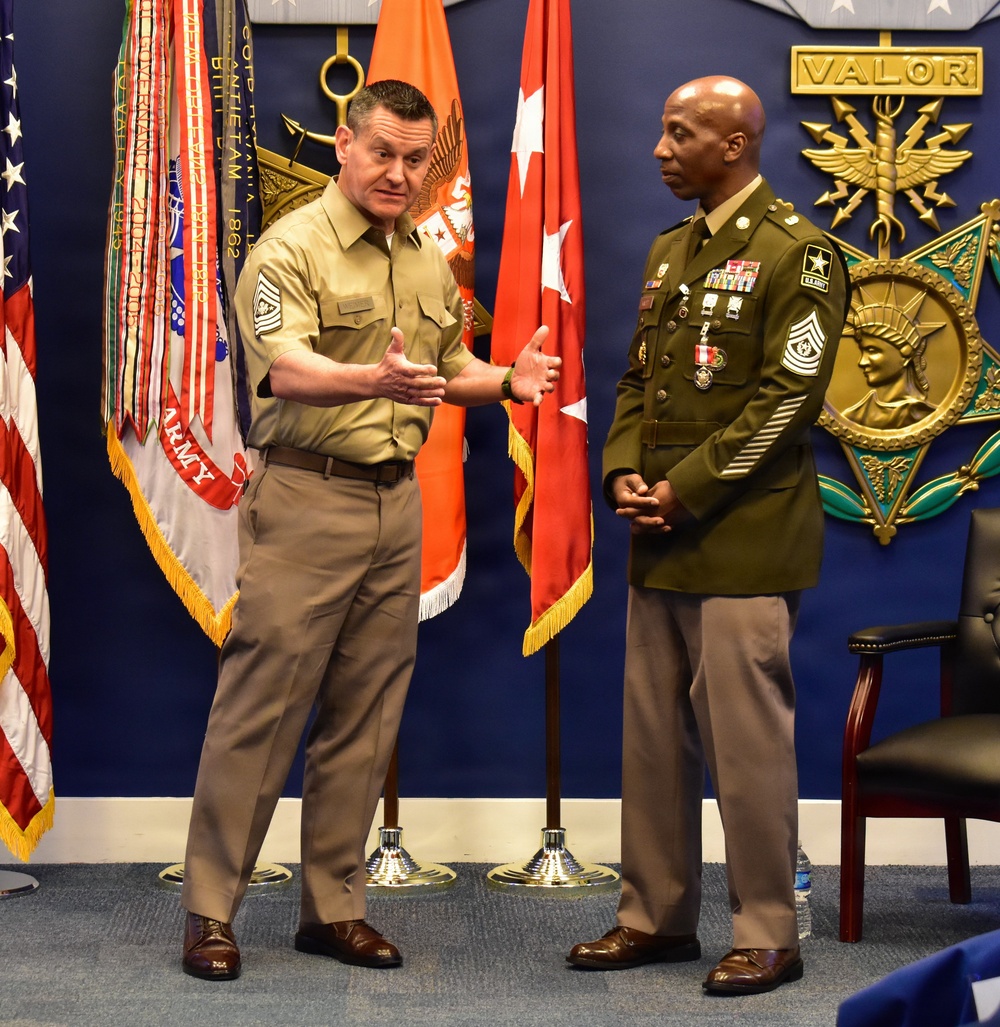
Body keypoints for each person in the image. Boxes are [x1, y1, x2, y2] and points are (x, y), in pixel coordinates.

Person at [180, 79, 560, 981]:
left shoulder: (425, 255)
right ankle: (208, 909)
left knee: (367, 712)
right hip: (308, 499)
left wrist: (507, 380)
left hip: (396, 505)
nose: (397, 172)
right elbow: (285, 369)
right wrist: (371, 384)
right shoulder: (290, 248)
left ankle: (334, 907)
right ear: (344, 146)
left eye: (414, 158)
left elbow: (446, 364)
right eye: (382, 151)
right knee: (261, 711)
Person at [567, 76, 848, 994]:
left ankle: (768, 928)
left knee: (745, 746)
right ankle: (654, 915)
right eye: (661, 130)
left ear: (733, 144)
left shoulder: (797, 255)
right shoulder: (671, 252)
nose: (660, 148)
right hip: (661, 534)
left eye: (678, 133)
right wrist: (621, 473)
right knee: (652, 742)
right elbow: (638, 381)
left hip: (741, 537)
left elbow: (785, 405)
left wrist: (682, 491)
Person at [842, 303, 935, 429]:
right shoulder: (853, 416)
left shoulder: (927, 416)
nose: (862, 362)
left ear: (906, 353)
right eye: (863, 351)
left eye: (872, 350)